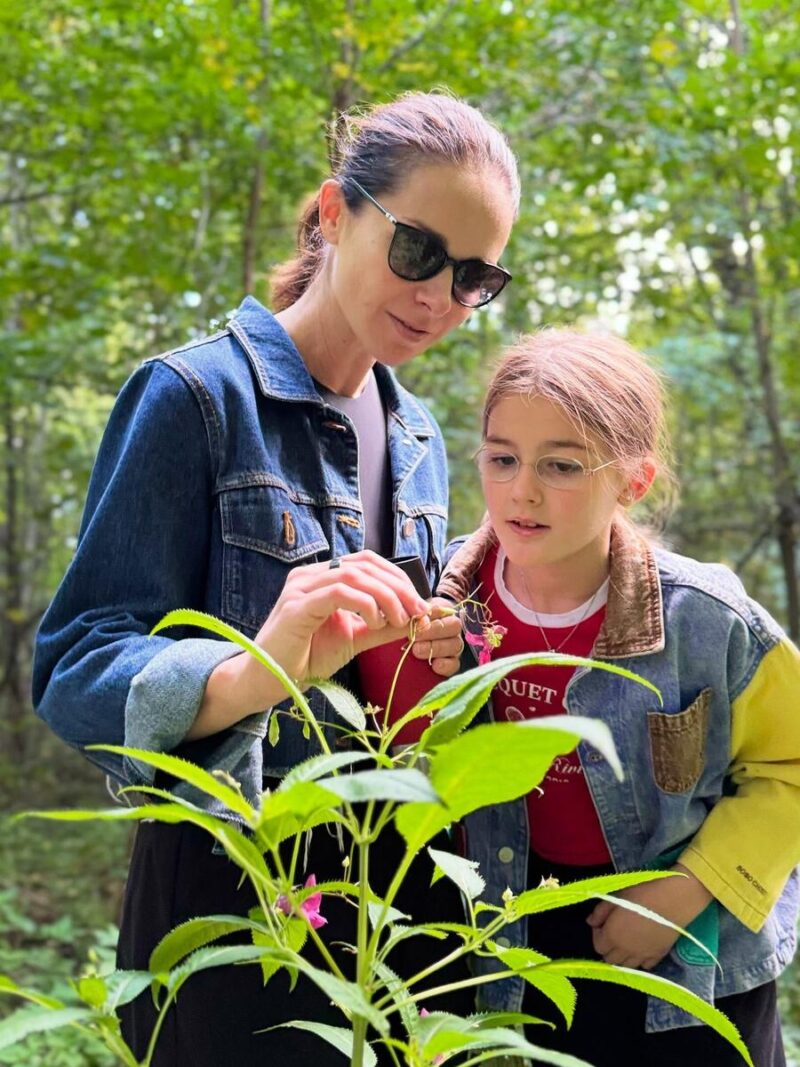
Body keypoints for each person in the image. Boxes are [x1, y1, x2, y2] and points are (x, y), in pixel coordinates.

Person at [31, 91, 520, 1065]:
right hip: (232, 902)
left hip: (393, 922)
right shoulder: (194, 398)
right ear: (336, 213)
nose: (438, 298)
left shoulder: (419, 434)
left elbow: (386, 687)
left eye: (474, 278)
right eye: (418, 252)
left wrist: (433, 649)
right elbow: (74, 667)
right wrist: (254, 667)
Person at [435, 328, 800, 1066]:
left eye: (561, 465)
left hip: (685, 954)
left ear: (633, 480)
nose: (522, 490)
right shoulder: (447, 610)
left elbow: (789, 767)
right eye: (501, 458)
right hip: (510, 944)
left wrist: (685, 890)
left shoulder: (707, 619)